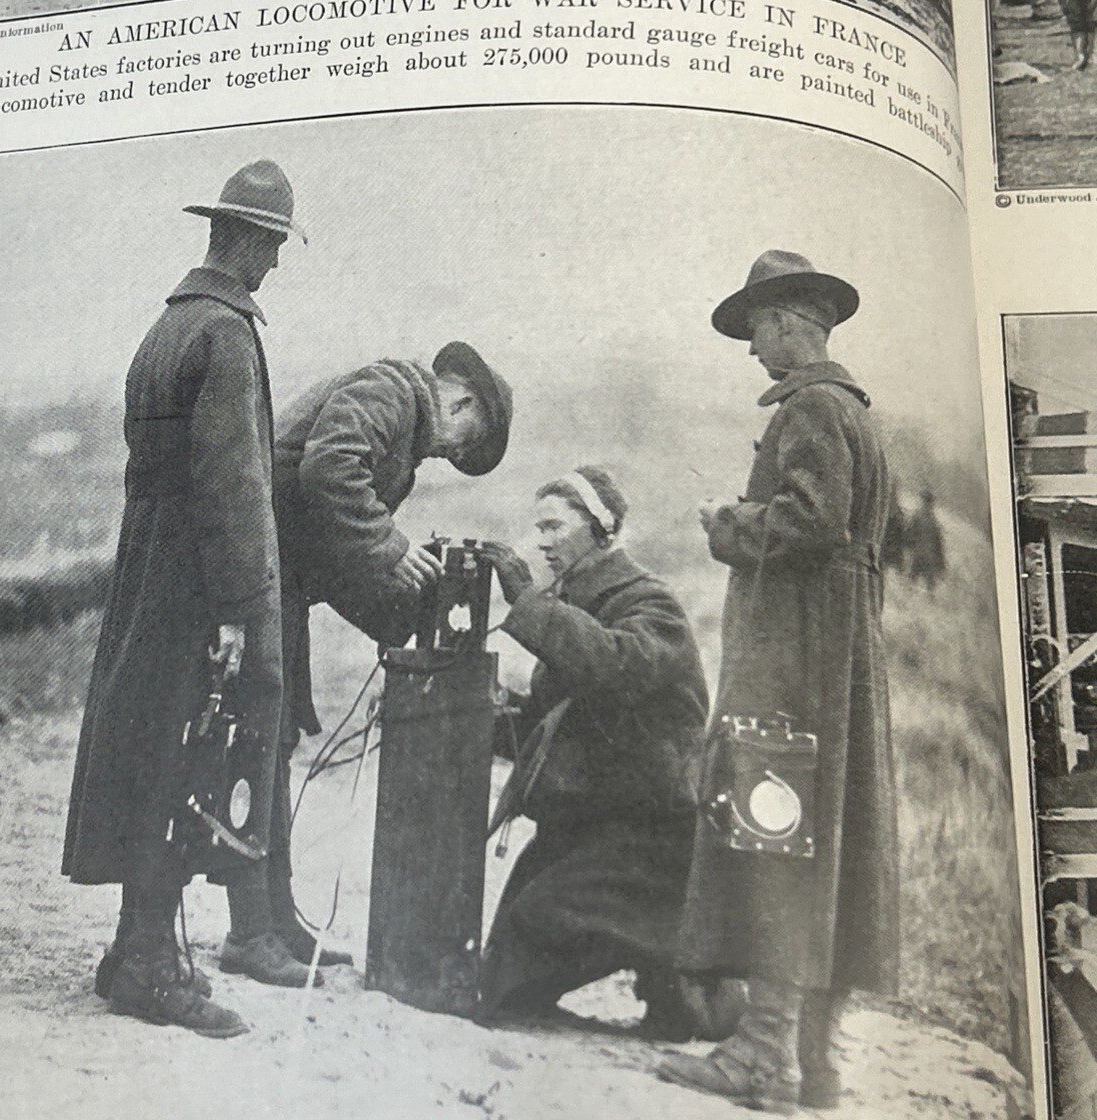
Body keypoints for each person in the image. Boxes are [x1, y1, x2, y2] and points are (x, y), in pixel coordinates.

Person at [62, 160, 301, 1039]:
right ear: (254, 241)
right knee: (186, 754)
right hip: (197, 583)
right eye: (273, 247)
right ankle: (152, 965)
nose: (274, 266)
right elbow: (234, 485)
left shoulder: (166, 328)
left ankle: (134, 946)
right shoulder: (229, 336)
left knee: (146, 743)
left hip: (147, 566)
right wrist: (240, 607)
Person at [659, 250, 897, 1112]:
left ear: (793, 323)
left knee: (774, 836)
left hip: (794, 661)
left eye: (758, 329)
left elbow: (810, 522)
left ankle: (762, 1059)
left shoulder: (811, 409)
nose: (753, 348)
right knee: (827, 848)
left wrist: (729, 523)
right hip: (845, 663)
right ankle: (816, 1067)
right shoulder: (861, 416)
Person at [222, 342, 512, 985]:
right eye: (466, 443)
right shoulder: (390, 392)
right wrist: (391, 549)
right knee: (255, 744)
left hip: (279, 581)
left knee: (277, 739)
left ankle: (274, 917)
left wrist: (400, 612)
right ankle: (248, 931)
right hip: (254, 578)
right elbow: (329, 470)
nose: (454, 455)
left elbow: (334, 542)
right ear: (461, 400)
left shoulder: (401, 421)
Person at [478, 468, 724, 1040]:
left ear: (599, 528)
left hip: (653, 830)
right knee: (504, 984)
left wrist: (530, 605)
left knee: (543, 922)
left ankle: (685, 973)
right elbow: (553, 721)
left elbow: (613, 668)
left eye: (553, 526)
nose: (541, 542)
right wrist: (474, 714)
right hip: (592, 820)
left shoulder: (648, 603)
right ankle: (671, 967)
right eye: (537, 528)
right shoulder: (580, 604)